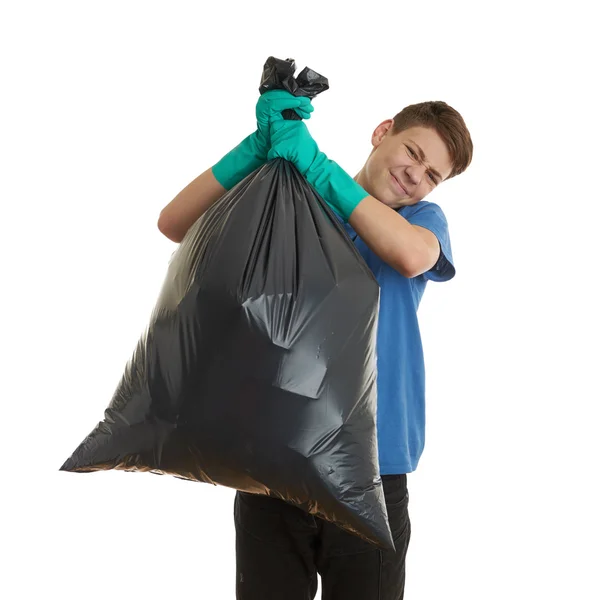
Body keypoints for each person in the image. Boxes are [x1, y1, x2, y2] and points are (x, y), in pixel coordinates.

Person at [158, 89, 473, 600]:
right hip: (275, 459)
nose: (418, 175)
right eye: (414, 153)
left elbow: (412, 257)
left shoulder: (421, 222)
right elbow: (173, 224)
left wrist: (320, 168)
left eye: (434, 175)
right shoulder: (296, 200)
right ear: (382, 131)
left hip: (373, 467)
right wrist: (257, 149)